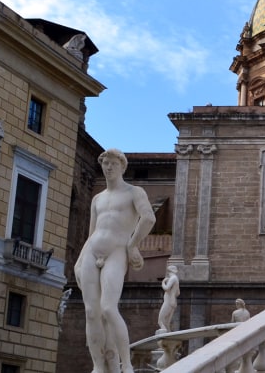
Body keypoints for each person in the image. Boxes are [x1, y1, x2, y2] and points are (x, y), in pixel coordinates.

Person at [75, 148, 156, 373]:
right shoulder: (97, 199)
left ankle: (126, 364)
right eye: (105, 163)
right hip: (92, 251)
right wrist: (79, 260)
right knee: (91, 312)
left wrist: (132, 245)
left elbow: (149, 217)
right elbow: (91, 233)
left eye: (113, 163)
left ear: (122, 166)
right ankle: (98, 366)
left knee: (109, 308)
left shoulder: (134, 192)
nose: (108, 167)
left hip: (116, 251)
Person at [157, 265, 180, 332]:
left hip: (168, 302)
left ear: (169, 272)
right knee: (166, 323)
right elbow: (178, 293)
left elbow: (166, 288)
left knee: (160, 320)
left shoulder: (173, 278)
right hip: (173, 301)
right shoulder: (176, 279)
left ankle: (164, 336)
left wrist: (163, 282)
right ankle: (169, 336)